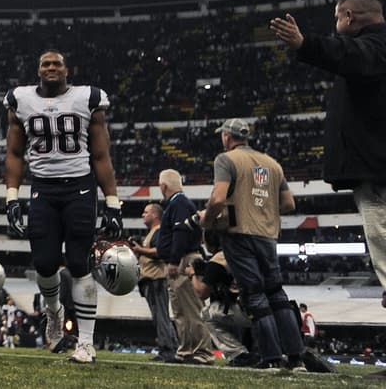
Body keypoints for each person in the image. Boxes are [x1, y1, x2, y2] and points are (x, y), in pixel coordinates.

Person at [270, 0, 386, 312]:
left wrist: (305, 45)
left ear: (349, 16)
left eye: (337, 16)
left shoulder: (375, 46)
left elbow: (350, 55)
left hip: (377, 174)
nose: (336, 23)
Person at [3, 50, 121, 365]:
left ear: (67, 69)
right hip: (43, 187)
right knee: (44, 262)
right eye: (45, 64)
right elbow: (14, 153)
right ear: (38, 70)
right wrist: (12, 197)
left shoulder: (87, 98)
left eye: (56, 63)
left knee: (80, 263)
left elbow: (100, 154)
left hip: (80, 188)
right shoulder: (20, 99)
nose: (51, 68)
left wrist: (112, 201)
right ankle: (54, 311)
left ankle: (85, 343)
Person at [200, 118, 307, 371]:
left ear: (227, 137)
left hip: (239, 234)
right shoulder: (272, 163)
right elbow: (289, 204)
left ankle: (271, 358)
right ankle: (295, 357)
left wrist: (206, 220)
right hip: (267, 235)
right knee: (277, 294)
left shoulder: (225, 160)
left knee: (255, 296)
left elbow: (218, 198)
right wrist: (262, 208)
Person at [155, 169, 214, 364]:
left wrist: (173, 260)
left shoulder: (179, 203)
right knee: (180, 311)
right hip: (179, 259)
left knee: (191, 309)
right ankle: (187, 350)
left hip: (183, 260)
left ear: (164, 186)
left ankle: (203, 352)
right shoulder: (178, 204)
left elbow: (181, 233)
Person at [128, 202, 178, 362]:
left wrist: (140, 250)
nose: (143, 214)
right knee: (160, 316)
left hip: (156, 280)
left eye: (146, 212)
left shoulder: (159, 231)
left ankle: (168, 350)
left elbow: (160, 252)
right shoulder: (153, 232)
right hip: (152, 280)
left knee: (160, 316)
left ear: (155, 215)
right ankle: (171, 347)